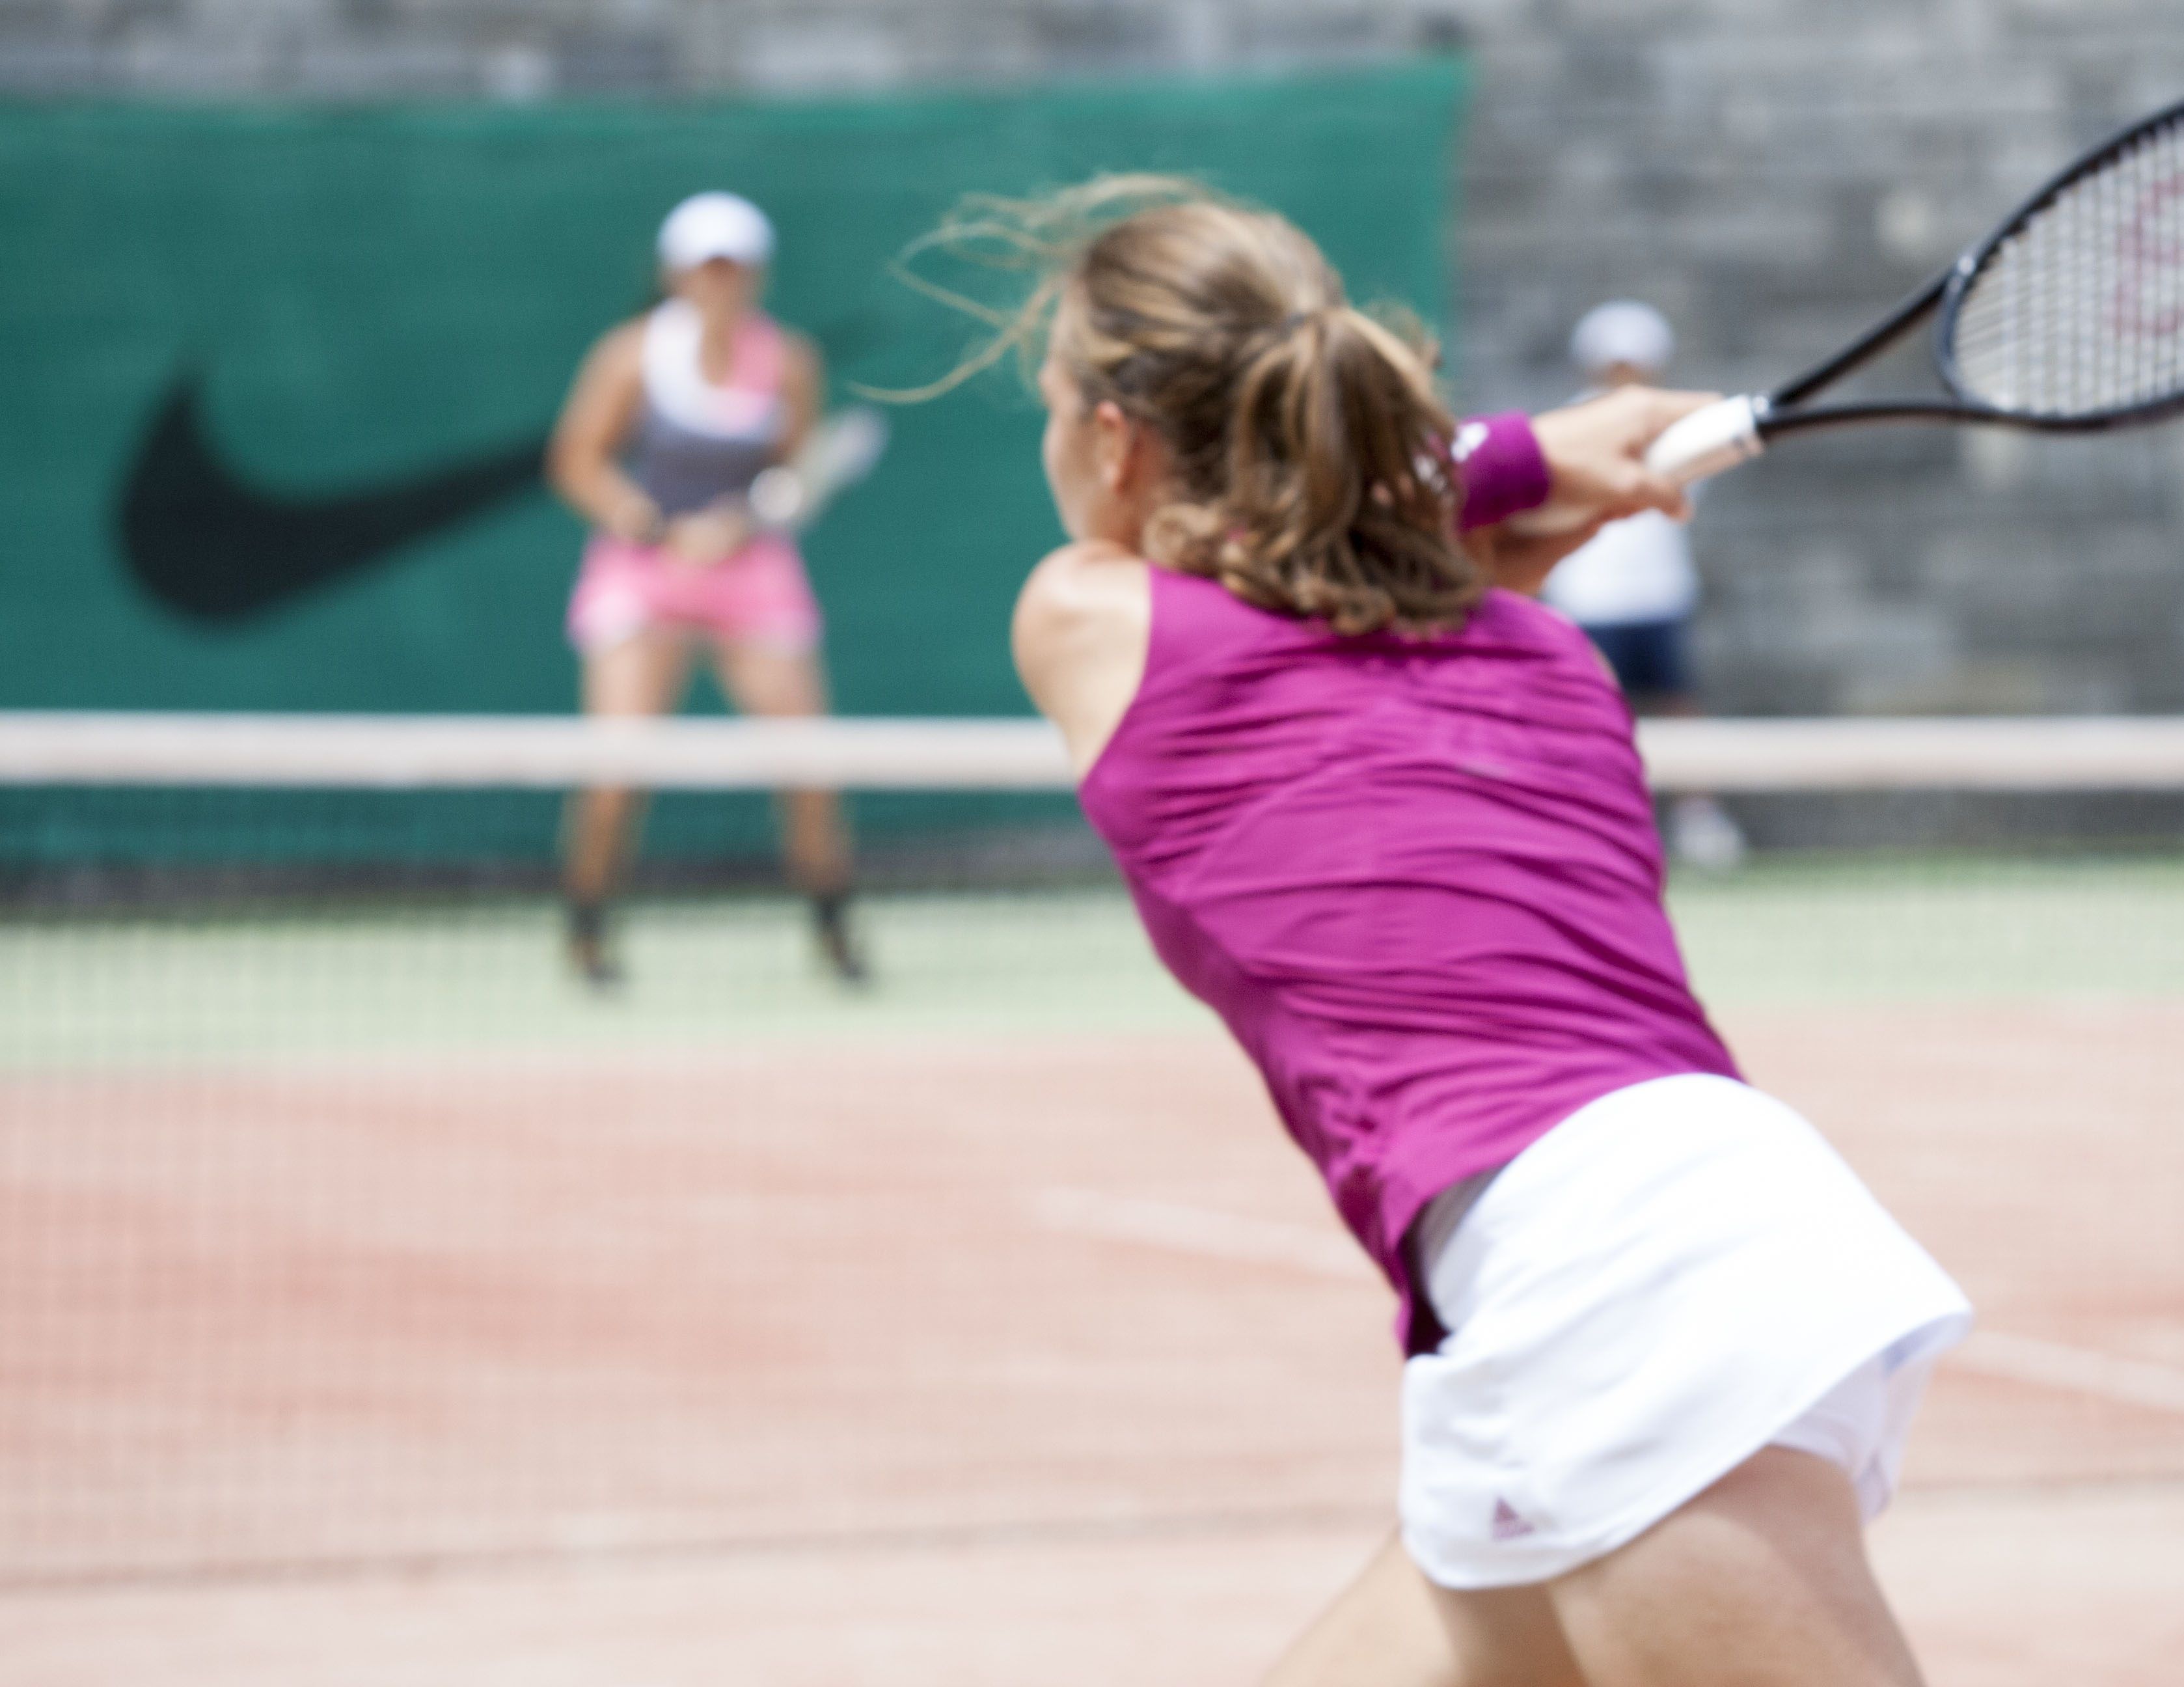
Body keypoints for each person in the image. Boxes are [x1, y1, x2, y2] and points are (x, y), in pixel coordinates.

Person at [926, 176, 1971, 1686]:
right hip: (1645, 1241)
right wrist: (1529, 460)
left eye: (1048, 409)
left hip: (1611, 1279)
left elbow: (1386, 541)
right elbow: (1396, 563)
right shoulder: (1547, 650)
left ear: (1115, 440)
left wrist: (1537, 453)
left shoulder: (1090, 614)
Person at [546, 190, 862, 987]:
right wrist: (650, 524)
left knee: (810, 764)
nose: (721, 282)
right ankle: (587, 930)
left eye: (735, 268)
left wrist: (742, 523)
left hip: (752, 571)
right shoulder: (629, 356)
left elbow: (793, 478)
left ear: (757, 275)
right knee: (617, 766)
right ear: (676, 274)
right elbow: (577, 461)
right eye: (706, 267)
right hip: (641, 572)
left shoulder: (790, 362)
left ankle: (834, 929)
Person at [1544, 299, 1748, 871]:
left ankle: (1698, 821)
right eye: (1615, 364)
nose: (1625, 374)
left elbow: (1673, 492)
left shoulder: (1677, 430)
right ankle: (1585, 821)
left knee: (1678, 706)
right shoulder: (1567, 427)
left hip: (1659, 597)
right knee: (1588, 712)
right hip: (1590, 601)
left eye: (1634, 363)